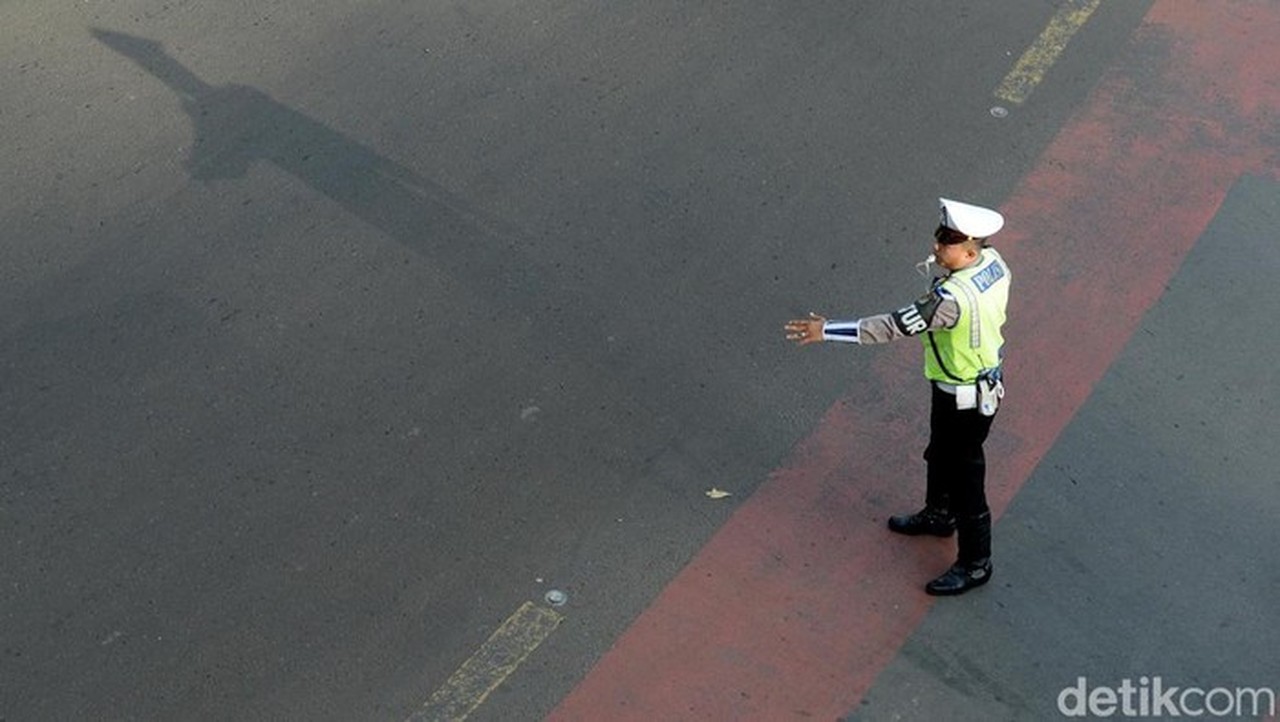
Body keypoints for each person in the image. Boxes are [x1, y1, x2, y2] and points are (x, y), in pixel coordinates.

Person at [784, 198, 1011, 596]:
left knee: (966, 479)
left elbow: (891, 326)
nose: (938, 245)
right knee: (940, 453)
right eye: (941, 235)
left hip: (965, 395)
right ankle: (939, 514)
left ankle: (976, 563)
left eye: (949, 240)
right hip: (964, 385)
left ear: (971, 249)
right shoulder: (993, 264)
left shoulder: (949, 301)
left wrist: (827, 330)